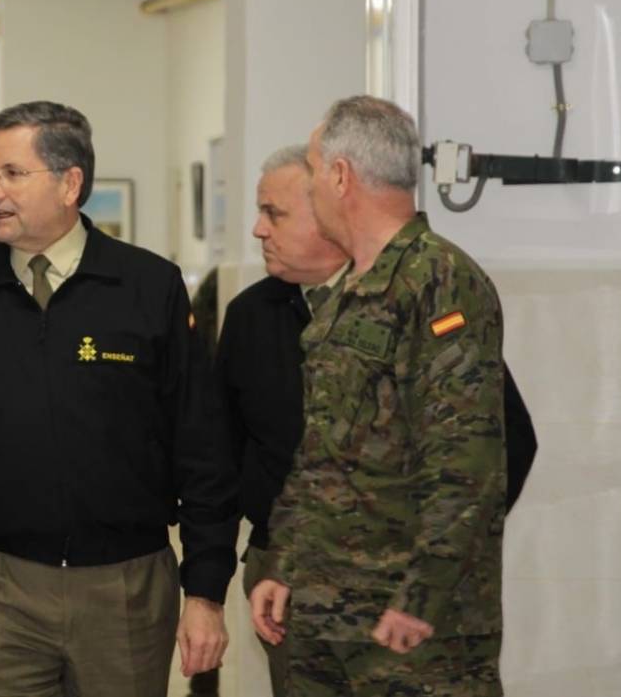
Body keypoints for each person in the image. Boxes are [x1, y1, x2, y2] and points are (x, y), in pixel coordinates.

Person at [0, 101, 238, 697]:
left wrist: (205, 590)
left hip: (124, 587)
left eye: (11, 173)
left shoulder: (149, 287)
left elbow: (201, 446)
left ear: (71, 183)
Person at [224, 143, 537, 696]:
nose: (258, 229)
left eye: (276, 212)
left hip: (405, 606)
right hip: (318, 601)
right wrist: (283, 561)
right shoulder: (305, 302)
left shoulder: (433, 279)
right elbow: (318, 456)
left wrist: (425, 579)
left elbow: (477, 457)